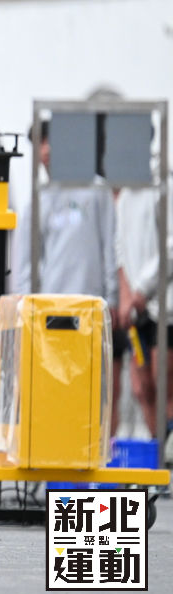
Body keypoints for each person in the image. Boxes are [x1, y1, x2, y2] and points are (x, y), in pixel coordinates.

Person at [14, 118, 119, 432]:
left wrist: (113, 296)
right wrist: (26, 304)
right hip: (51, 309)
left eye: (51, 142)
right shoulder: (38, 197)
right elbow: (26, 259)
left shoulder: (96, 188)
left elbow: (111, 244)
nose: (46, 151)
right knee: (56, 384)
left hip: (93, 305)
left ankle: (101, 451)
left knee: (100, 386)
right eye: (40, 144)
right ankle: (59, 448)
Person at [115, 178, 173, 448]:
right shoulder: (124, 196)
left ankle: (168, 457)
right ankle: (159, 453)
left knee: (165, 386)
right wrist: (127, 294)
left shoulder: (165, 186)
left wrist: (142, 289)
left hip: (166, 310)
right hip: (137, 314)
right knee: (142, 388)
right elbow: (119, 250)